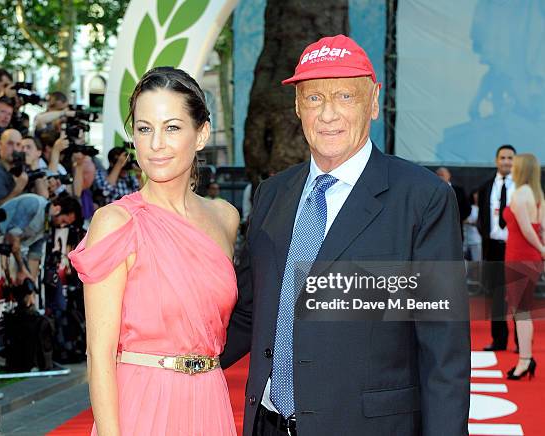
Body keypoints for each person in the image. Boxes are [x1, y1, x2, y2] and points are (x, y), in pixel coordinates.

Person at [220, 34, 470, 436]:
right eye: (315, 98)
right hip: (268, 423)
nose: (328, 114)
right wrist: (178, 358)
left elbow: (443, 350)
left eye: (345, 97)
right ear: (298, 106)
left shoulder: (422, 198)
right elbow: (250, 311)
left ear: (373, 102)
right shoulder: (272, 194)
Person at [68, 67, 239, 435]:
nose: (156, 143)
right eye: (144, 129)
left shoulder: (225, 218)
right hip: (142, 407)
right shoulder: (115, 222)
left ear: (201, 134)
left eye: (172, 127)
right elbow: (99, 355)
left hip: (211, 401)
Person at [503, 153, 544, 380]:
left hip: (519, 257)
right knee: (523, 310)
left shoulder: (520, 194)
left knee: (521, 312)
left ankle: (524, 360)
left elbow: (528, 230)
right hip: (531, 258)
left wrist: (542, 249)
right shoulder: (538, 195)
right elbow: (543, 228)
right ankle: (526, 358)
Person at [477, 145, 517, 351]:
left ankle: (521, 343)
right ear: (496, 160)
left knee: (518, 296)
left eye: (510, 158)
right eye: (502, 157)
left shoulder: (521, 187)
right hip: (493, 248)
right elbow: (482, 219)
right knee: (497, 296)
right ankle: (499, 340)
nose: (506, 162)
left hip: (515, 248)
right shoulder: (485, 187)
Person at [0, 193, 82, 284]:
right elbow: (13, 235)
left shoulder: (47, 227)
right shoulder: (34, 204)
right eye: (63, 221)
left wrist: (30, 281)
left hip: (8, 254)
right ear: (57, 209)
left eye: (66, 225)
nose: (62, 226)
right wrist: (22, 269)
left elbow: (34, 256)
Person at [0, 129, 26, 208]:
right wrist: (18, 188)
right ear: (0, 145)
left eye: (18, 145)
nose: (14, 149)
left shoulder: (18, 170)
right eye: (10, 143)